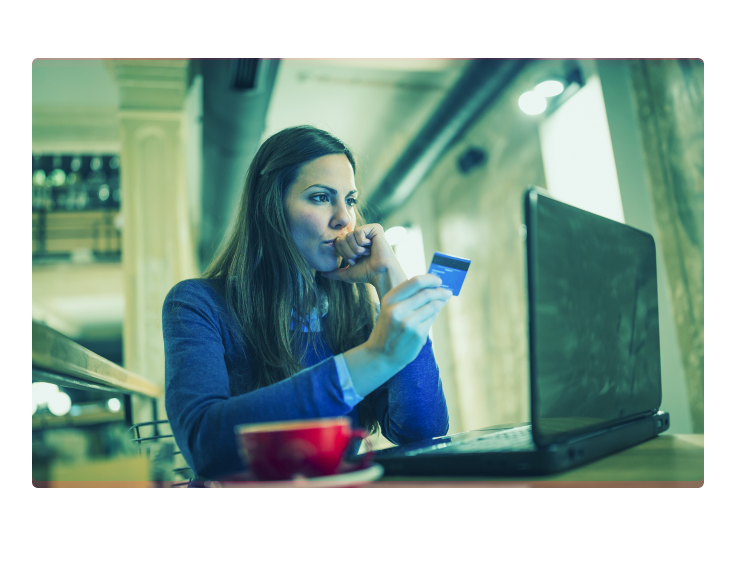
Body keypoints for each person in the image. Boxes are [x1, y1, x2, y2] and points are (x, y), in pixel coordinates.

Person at [163, 125, 452, 480]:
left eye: (349, 199)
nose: (345, 218)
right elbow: (203, 444)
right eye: (319, 197)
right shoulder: (197, 304)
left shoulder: (358, 315)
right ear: (270, 209)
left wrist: (391, 287)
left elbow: (423, 434)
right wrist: (376, 355)